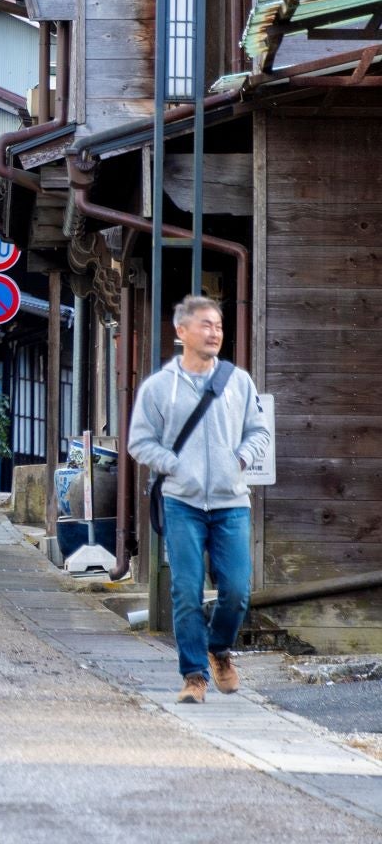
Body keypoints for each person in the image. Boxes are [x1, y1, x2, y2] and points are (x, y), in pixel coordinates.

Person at [127, 294, 270, 705]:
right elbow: (140, 441)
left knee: (237, 590)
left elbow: (258, 432)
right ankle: (194, 675)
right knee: (186, 590)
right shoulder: (159, 388)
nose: (214, 333)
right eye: (206, 325)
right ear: (182, 331)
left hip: (231, 502)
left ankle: (219, 649)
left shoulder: (237, 382)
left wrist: (240, 459)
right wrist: (174, 465)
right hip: (182, 502)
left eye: (219, 326)